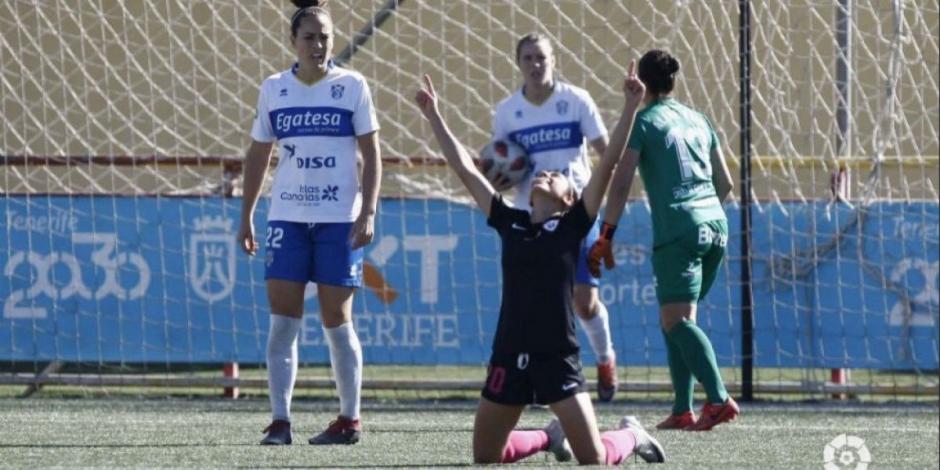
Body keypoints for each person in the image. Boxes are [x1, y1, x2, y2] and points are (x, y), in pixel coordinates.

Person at [415, 61, 665, 464]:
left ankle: (631, 435)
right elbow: (464, 168)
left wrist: (630, 106)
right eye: (544, 173)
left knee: (593, 460)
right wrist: (434, 115)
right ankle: (548, 438)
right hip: (509, 353)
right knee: (485, 458)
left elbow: (607, 164)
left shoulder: (573, 226)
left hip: (556, 357)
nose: (547, 173)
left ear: (570, 197)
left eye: (557, 175)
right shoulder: (508, 221)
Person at [237, 0, 381, 446]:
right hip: (287, 219)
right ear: (293, 42)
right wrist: (246, 216)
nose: (318, 44)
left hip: (339, 220)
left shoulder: (352, 85)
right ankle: (280, 422)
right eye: (309, 37)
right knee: (283, 323)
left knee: (338, 321)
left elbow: (372, 154)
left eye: (325, 37)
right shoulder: (274, 88)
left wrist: (368, 210)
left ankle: (349, 421)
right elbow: (259, 154)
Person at [588, 49, 740, 431]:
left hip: (680, 227)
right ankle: (682, 409)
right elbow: (726, 183)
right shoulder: (699, 118)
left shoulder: (643, 121)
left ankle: (719, 399)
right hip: (716, 226)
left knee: (676, 321)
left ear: (642, 81)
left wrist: (607, 233)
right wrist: (702, 216)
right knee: (678, 319)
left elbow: (621, 181)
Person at [487, 33, 619, 401]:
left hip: (577, 216)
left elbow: (606, 153)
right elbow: (500, 160)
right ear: (518, 63)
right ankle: (536, 377)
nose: (535, 64)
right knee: (536, 301)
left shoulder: (576, 101)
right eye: (528, 58)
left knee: (585, 302)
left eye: (541, 57)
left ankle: (605, 358)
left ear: (553, 60)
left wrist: (600, 206)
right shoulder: (507, 111)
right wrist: (495, 175)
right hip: (531, 219)